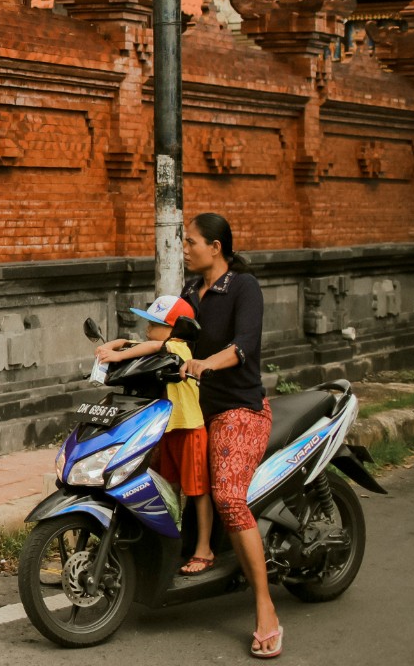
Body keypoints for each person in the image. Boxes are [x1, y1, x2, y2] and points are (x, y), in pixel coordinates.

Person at [179, 212, 282, 660]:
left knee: (228, 496)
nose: (185, 248)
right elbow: (170, 339)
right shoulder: (190, 292)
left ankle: (265, 608)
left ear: (215, 247)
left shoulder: (244, 286)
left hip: (240, 409)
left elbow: (245, 345)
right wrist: (122, 349)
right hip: (196, 409)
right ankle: (198, 547)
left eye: (191, 242)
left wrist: (207, 363)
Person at [94, 294, 215, 575]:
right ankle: (170, 546)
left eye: (155, 323)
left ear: (175, 329)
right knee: (168, 488)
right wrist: (118, 344)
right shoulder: (162, 347)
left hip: (189, 429)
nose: (148, 328)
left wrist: (120, 352)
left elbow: (154, 345)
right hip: (168, 431)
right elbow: (145, 345)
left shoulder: (180, 350)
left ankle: (204, 548)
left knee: (197, 492)